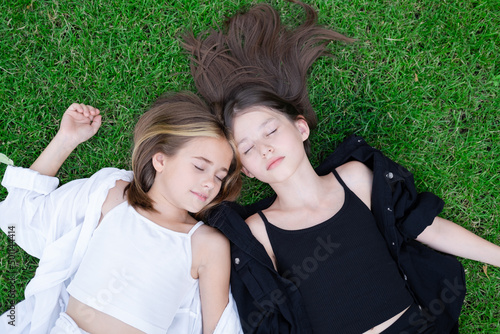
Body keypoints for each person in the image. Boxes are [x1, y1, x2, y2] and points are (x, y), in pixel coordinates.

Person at [182, 2, 500, 333]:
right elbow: (269, 319)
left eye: (271, 130)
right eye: (247, 148)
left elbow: (425, 226)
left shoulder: (356, 178)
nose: (265, 148)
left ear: (301, 128)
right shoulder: (258, 231)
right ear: (245, 168)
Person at [0, 93, 244, 333]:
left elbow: (220, 327)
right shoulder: (115, 196)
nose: (210, 183)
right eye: (200, 167)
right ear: (160, 160)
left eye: (219, 177)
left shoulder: (207, 245)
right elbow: (22, 217)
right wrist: (66, 140)